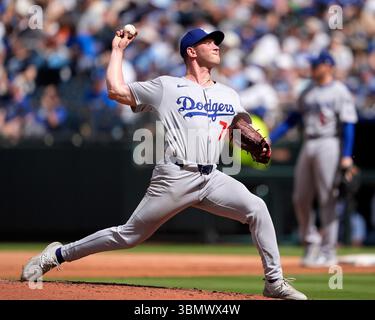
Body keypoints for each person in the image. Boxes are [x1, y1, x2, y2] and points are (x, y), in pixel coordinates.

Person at [20, 27, 307, 300]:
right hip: (175, 175)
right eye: (209, 42)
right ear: (191, 52)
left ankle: (274, 282)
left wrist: (253, 141)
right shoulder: (167, 86)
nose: (216, 46)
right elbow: (115, 90)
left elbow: (238, 128)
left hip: (212, 178)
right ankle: (55, 255)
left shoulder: (229, 94)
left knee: (257, 208)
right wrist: (117, 51)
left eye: (216, 42)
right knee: (129, 235)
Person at [270, 51, 358, 267]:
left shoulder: (339, 91)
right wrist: (271, 138)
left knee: (328, 197)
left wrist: (346, 155)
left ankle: (329, 250)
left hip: (330, 142)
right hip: (309, 142)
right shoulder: (308, 90)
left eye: (317, 64)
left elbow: (348, 125)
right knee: (300, 197)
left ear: (328, 66)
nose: (313, 68)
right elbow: (292, 119)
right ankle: (311, 242)